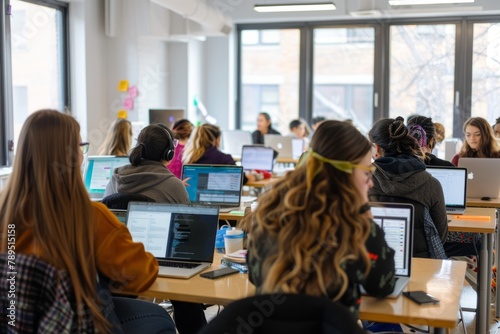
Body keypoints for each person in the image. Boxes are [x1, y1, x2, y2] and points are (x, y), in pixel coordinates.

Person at [0, 109, 175, 333]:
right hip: (74, 323)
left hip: (17, 324)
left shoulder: (5, 215)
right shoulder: (87, 216)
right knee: (160, 317)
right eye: (79, 147)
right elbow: (140, 275)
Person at [240, 120, 396, 318]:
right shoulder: (358, 229)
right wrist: (369, 223)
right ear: (344, 173)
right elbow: (384, 285)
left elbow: (255, 276)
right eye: (367, 172)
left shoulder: (269, 212)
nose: (371, 183)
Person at [104, 123, 206, 334]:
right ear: (169, 153)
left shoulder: (116, 177)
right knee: (185, 293)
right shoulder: (173, 184)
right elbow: (188, 231)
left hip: (120, 266)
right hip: (161, 260)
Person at [369, 116, 448, 258]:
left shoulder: (363, 183)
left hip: (372, 266)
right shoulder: (431, 184)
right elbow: (440, 235)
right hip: (422, 269)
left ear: (376, 148)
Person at [183, 123, 256, 184]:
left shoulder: (189, 158)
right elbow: (241, 180)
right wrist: (252, 176)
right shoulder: (224, 159)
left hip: (193, 199)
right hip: (220, 199)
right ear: (217, 139)